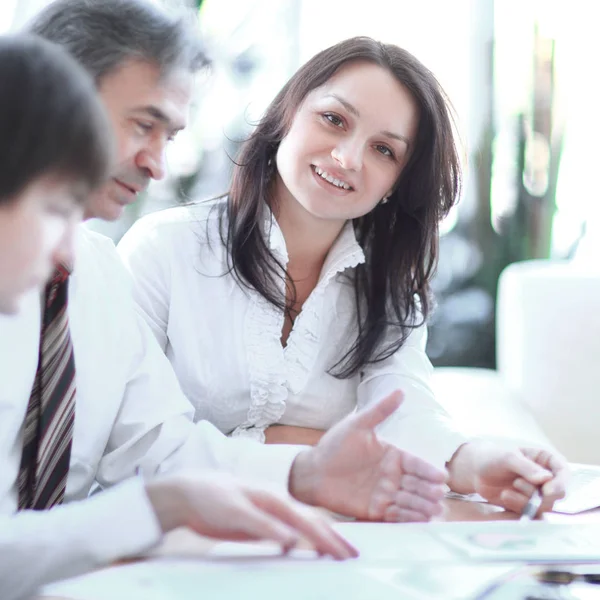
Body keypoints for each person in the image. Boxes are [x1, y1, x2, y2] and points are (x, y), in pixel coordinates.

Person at [0, 3, 449, 597]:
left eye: (171, 136)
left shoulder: (95, 274)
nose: (157, 165)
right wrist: (153, 509)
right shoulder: (154, 249)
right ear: (56, 92)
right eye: (143, 125)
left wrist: (308, 472)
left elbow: (162, 449)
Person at [118, 36, 569, 515]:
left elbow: (405, 409)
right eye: (334, 120)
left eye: (384, 150)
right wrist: (308, 452)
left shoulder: (388, 285)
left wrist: (476, 461)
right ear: (287, 114)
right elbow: (136, 448)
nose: (349, 158)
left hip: (310, 541)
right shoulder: (163, 249)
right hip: (163, 539)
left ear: (398, 183)